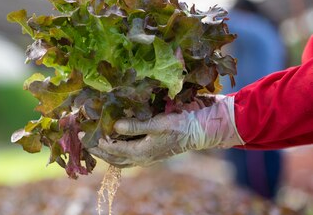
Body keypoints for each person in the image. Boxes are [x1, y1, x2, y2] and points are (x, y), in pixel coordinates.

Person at [89, 34, 313, 170]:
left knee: (257, 177)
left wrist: (226, 118)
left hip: (269, 108)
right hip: (270, 108)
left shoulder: (249, 28)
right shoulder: (262, 31)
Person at [220, 0, 286, 199]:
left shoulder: (258, 30)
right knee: (249, 187)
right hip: (249, 119)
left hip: (256, 121)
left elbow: (226, 21)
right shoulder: (263, 33)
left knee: (258, 191)